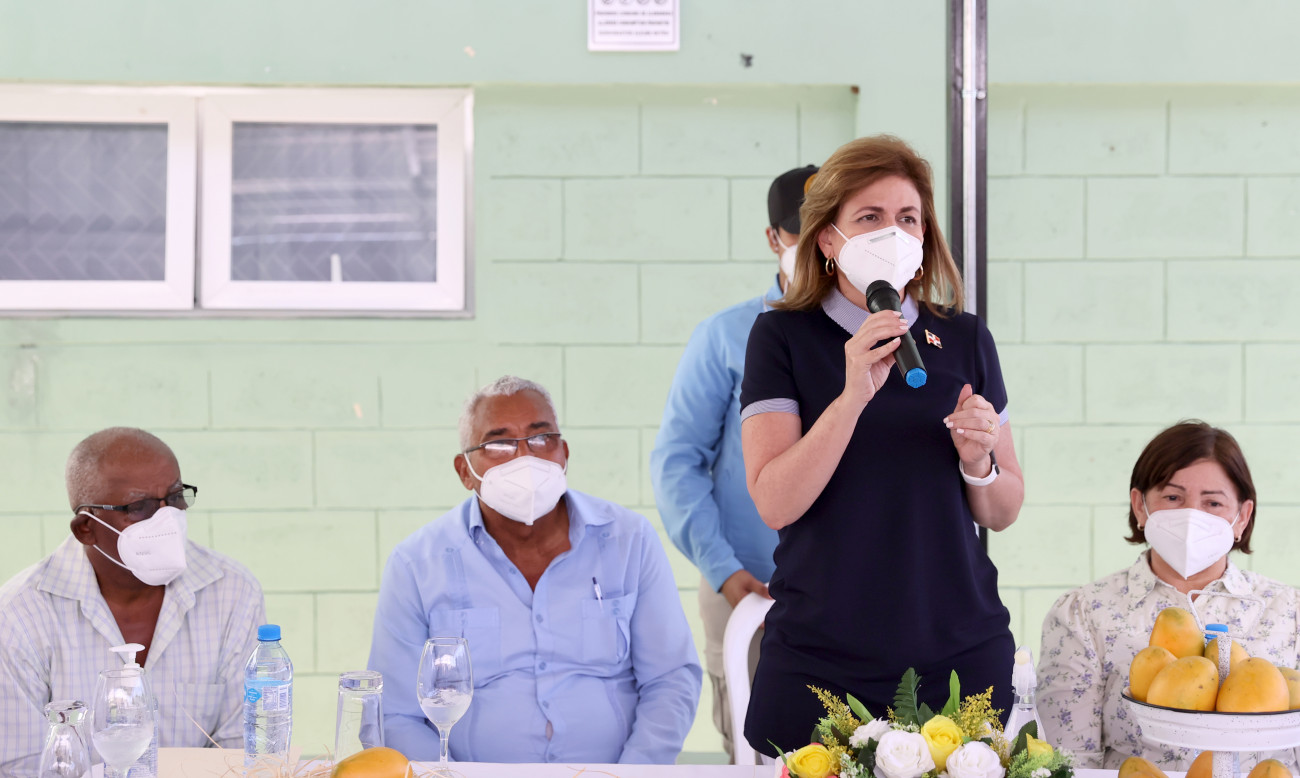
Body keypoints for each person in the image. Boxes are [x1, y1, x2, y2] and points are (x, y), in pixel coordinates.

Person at [738, 135, 1025, 756]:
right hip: (820, 662)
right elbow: (774, 502)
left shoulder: (966, 338)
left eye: (907, 218)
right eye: (869, 217)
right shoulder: (781, 337)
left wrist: (978, 462)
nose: (891, 233)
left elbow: (1003, 509)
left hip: (959, 658)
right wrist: (851, 398)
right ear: (828, 239)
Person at [368, 376, 701, 764]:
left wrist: (632, 774)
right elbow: (395, 715)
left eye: (541, 438)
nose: (525, 458)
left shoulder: (630, 541)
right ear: (464, 471)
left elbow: (671, 679)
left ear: (564, 454)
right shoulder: (416, 565)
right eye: (499, 444)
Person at [650, 163, 817, 761]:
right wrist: (725, 571)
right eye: (801, 230)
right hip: (747, 587)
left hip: (849, 591)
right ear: (774, 238)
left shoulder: (871, 333)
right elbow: (677, 463)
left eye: (829, 226)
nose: (816, 244)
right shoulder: (726, 336)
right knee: (756, 753)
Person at [0, 427, 266, 775]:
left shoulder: (232, 592)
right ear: (86, 529)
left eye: (175, 498)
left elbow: (242, 751)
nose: (167, 520)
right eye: (139, 507)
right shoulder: (19, 616)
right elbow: (20, 766)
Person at [1037, 420, 1299, 770]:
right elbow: (1068, 762)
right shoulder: (1083, 614)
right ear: (1140, 506)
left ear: (1242, 516)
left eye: (1213, 503)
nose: (1192, 516)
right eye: (1173, 497)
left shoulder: (1289, 611)